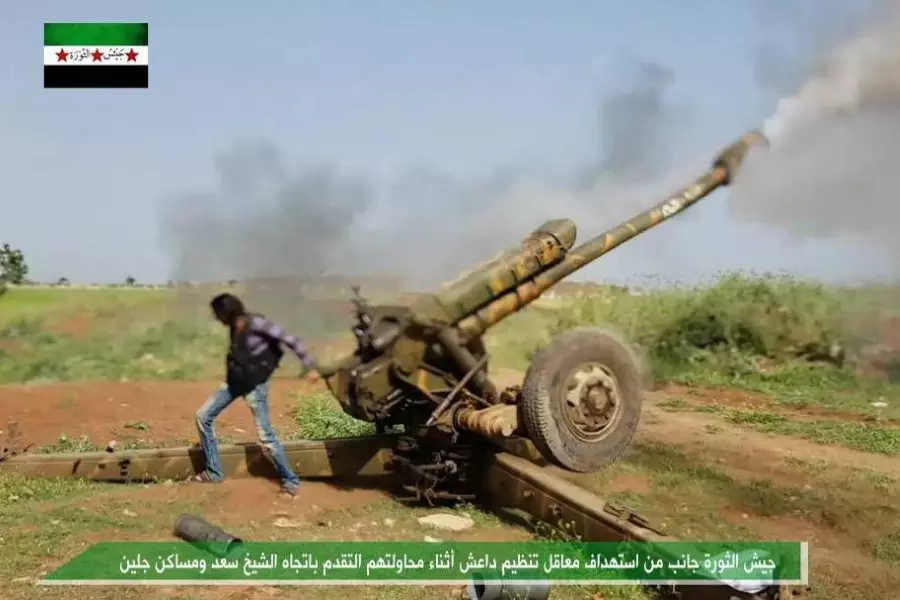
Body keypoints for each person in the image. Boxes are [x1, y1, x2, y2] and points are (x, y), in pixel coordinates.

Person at [191, 292, 320, 497]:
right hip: (236, 383)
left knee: (266, 436)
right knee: (203, 416)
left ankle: (291, 481)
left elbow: (291, 340)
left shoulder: (256, 324)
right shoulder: (235, 326)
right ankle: (213, 472)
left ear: (227, 312)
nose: (216, 318)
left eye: (218, 314)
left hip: (255, 386)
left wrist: (310, 367)